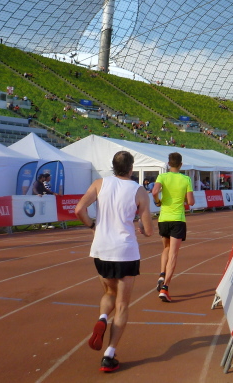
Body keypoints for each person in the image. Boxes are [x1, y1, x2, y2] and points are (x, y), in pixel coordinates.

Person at [75, 150, 153, 372]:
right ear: (131, 168)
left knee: (109, 292)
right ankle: (109, 355)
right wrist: (140, 225)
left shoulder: (100, 183)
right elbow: (149, 231)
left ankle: (102, 317)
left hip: (101, 249)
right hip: (125, 251)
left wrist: (93, 226)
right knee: (122, 305)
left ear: (113, 166)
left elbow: (79, 209)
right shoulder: (139, 191)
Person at [152, 152, 195, 302]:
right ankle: (165, 288)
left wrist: (158, 202)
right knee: (173, 254)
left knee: (166, 248)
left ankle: (161, 274)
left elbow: (154, 191)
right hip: (177, 219)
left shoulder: (162, 176)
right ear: (181, 164)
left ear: (168, 164)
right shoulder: (186, 179)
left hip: (164, 218)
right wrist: (184, 198)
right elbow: (191, 202)